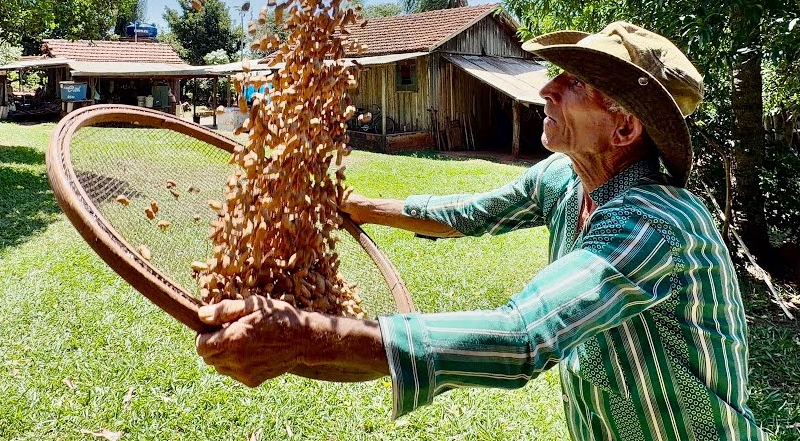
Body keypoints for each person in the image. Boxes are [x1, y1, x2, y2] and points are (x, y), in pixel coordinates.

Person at [196, 22, 767, 440]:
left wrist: (303, 334)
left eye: (573, 84)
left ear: (622, 127)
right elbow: (470, 211)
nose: (547, 89)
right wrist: (357, 205)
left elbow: (521, 337)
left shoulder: (656, 225)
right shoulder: (566, 180)